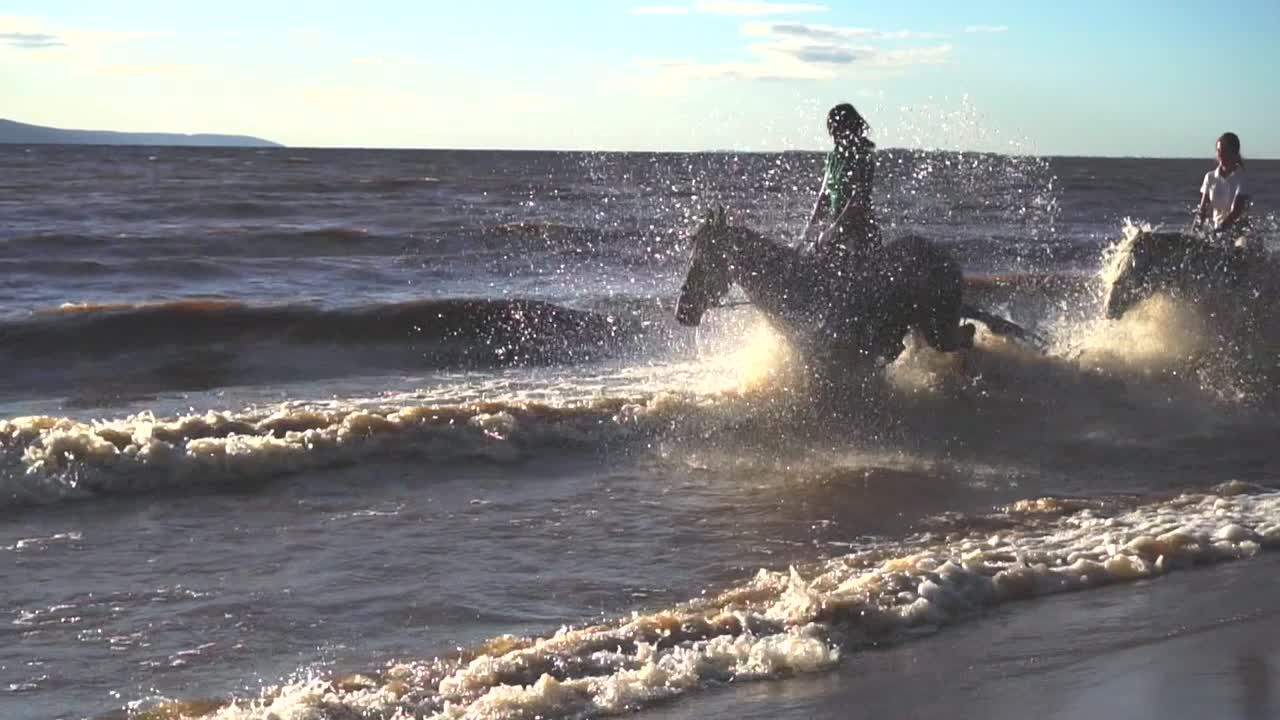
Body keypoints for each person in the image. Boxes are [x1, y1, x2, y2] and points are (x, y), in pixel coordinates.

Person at [802, 103, 881, 275]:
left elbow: (857, 199)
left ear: (851, 127)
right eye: (833, 131)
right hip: (836, 225)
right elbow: (823, 196)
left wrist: (834, 229)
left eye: (838, 129)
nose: (835, 135)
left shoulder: (863, 155)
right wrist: (812, 227)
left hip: (859, 228)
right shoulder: (833, 157)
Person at [1196, 131, 1252, 246]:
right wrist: (1195, 232)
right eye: (1218, 151)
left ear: (1234, 153)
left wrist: (1218, 231)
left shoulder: (1242, 178)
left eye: (1225, 151)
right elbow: (1202, 210)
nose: (1220, 155)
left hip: (1238, 236)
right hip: (1218, 234)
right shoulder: (1210, 177)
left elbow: (1236, 212)